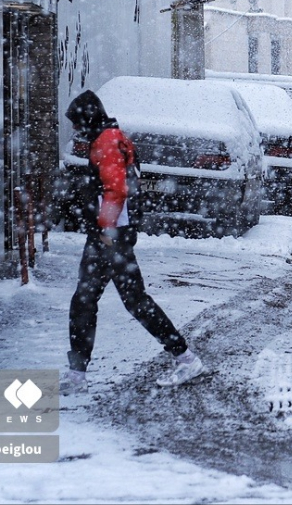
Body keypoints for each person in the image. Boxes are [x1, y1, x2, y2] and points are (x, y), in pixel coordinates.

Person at [61, 90, 203, 394]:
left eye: (76, 123)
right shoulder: (114, 136)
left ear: (88, 118)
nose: (75, 130)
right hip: (113, 236)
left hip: (109, 238)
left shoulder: (106, 141)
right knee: (98, 301)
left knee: (112, 302)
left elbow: (116, 190)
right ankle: (77, 375)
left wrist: (104, 228)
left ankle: (185, 357)